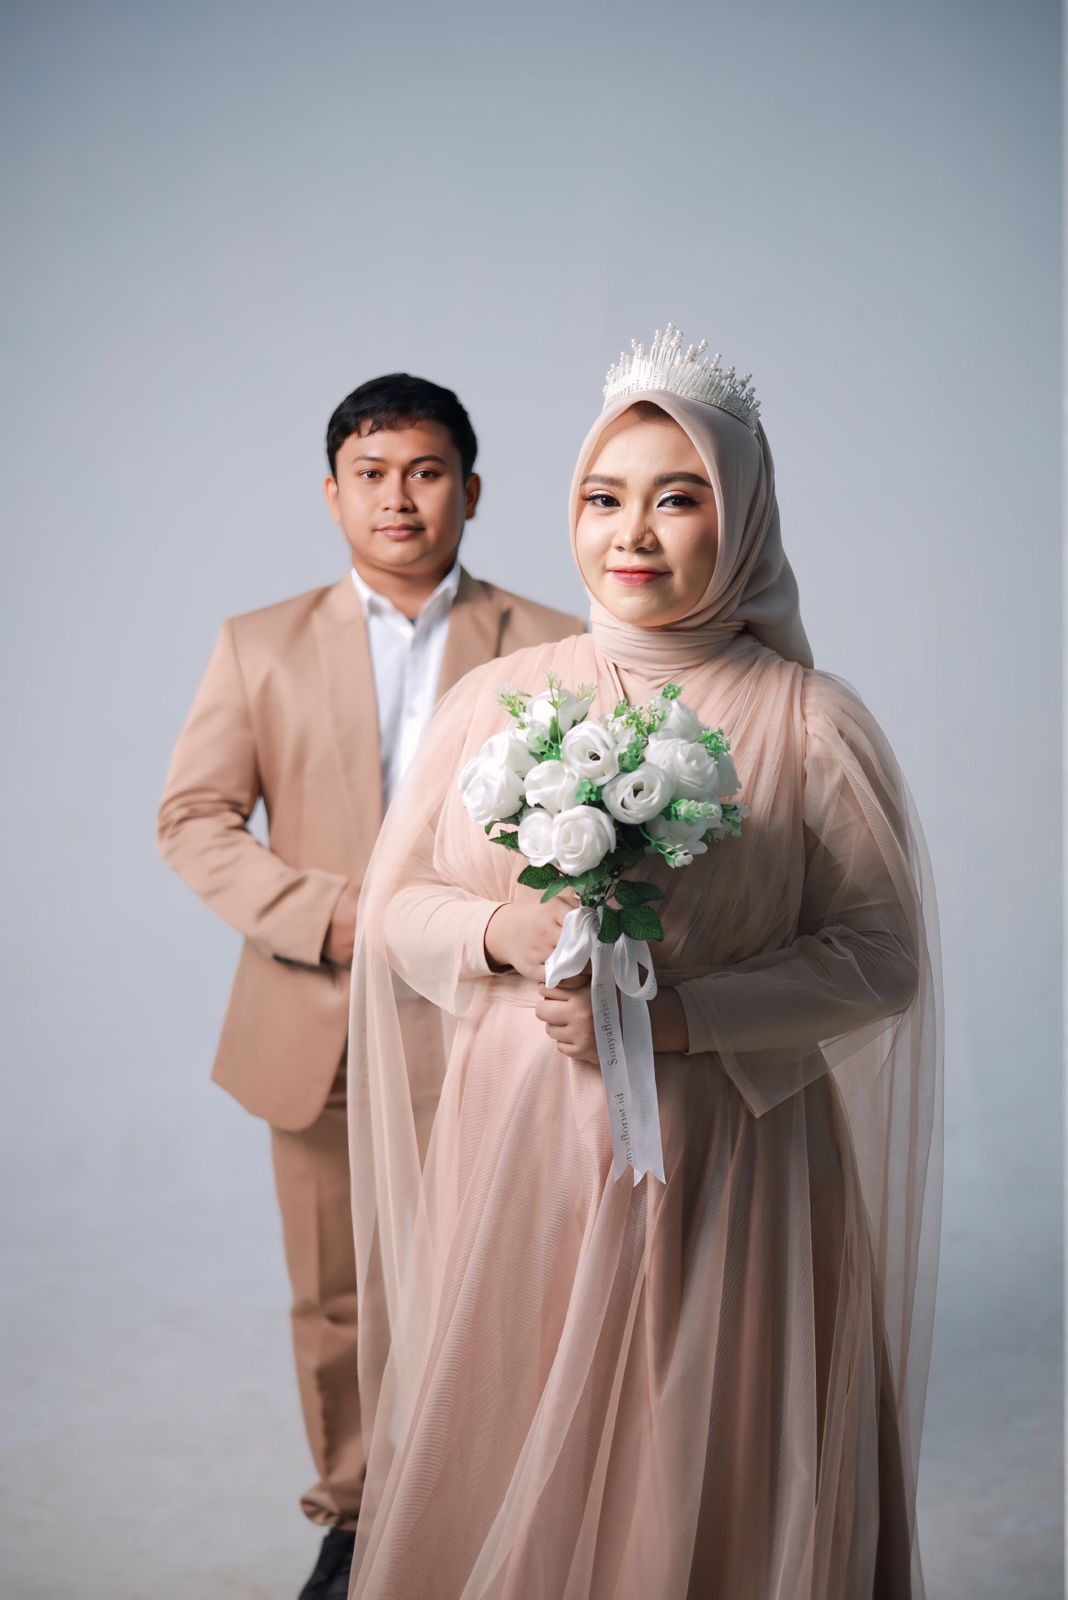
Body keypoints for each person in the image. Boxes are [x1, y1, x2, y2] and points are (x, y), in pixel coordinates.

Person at [344, 329, 944, 1599]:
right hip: (523, 1144)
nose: (632, 533)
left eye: (678, 499)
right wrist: (505, 934)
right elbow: (402, 911)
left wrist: (679, 1016)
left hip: (728, 1154)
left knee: (697, 1452)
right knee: (511, 1427)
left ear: (744, 515)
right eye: (604, 497)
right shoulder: (502, 697)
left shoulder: (808, 721)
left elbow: (881, 956)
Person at [156, 371, 586, 1600]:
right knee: (340, 1293)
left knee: (506, 1276)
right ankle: (356, 1520)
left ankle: (498, 1509)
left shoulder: (553, 644)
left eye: (427, 472)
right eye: (373, 474)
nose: (399, 497)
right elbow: (194, 817)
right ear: (333, 492)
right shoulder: (260, 645)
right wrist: (334, 916)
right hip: (322, 1015)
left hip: (493, 1017)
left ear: (472, 491)